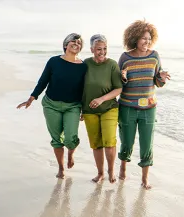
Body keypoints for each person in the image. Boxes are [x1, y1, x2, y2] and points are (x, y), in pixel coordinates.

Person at [17, 33, 87, 179]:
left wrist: (84, 109)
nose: (76, 44)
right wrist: (32, 97)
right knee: (56, 139)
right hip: (51, 105)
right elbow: (43, 81)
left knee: (70, 138)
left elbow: (85, 90)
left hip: (72, 106)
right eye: (73, 41)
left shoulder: (83, 67)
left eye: (79, 43)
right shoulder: (54, 61)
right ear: (65, 45)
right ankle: (61, 168)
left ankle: (70, 153)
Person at [117, 20, 171, 189]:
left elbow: (157, 82)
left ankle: (144, 179)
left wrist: (161, 78)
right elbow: (118, 83)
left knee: (147, 143)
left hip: (149, 108)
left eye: (149, 39)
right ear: (134, 39)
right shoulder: (125, 57)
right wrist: (123, 77)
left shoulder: (154, 55)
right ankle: (123, 168)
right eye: (143, 38)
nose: (146, 42)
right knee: (126, 142)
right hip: (127, 107)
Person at [81, 34, 123, 183]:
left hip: (109, 108)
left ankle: (111, 172)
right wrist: (81, 108)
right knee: (96, 143)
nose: (102, 52)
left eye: (105, 48)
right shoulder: (85, 64)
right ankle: (100, 174)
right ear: (92, 49)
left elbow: (118, 88)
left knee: (109, 141)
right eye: (99, 49)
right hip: (89, 110)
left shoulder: (112, 65)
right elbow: (79, 87)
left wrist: (101, 99)